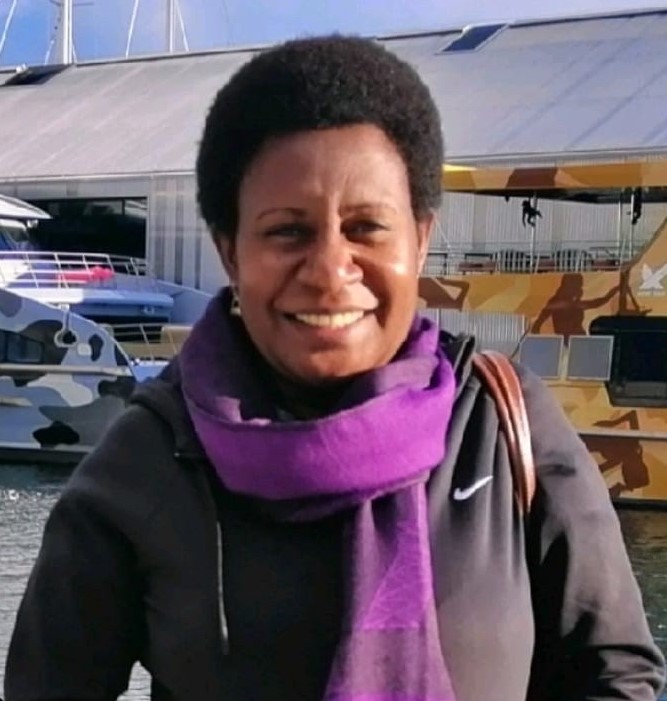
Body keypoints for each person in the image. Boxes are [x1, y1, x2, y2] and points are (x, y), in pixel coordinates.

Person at [4, 35, 665, 701]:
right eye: (287, 231)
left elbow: (615, 676)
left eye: (366, 227)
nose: (327, 271)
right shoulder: (150, 459)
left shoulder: (501, 422)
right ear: (229, 250)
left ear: (420, 237)